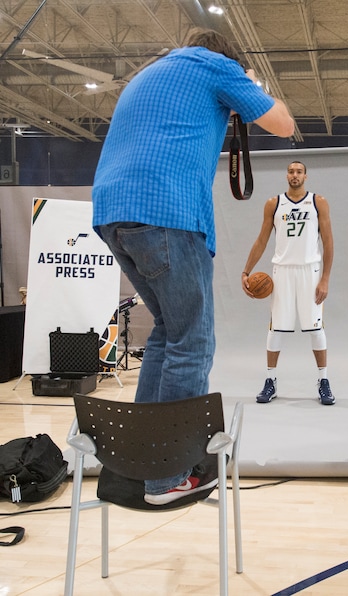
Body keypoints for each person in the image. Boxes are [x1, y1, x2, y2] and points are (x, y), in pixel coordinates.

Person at [92, 28, 295, 506]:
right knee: (194, 341)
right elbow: (283, 124)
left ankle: (141, 461)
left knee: (167, 331)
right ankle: (168, 478)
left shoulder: (150, 73)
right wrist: (251, 81)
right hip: (167, 213)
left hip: (112, 212)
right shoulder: (215, 66)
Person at [242, 161, 335, 405]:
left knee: (316, 328)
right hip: (282, 271)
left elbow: (328, 242)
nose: (295, 175)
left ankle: (323, 381)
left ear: (306, 175)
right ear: (286, 176)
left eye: (299, 171)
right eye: (291, 171)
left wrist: (325, 277)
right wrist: (246, 270)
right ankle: (270, 381)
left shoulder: (318, 202)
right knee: (276, 329)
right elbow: (262, 239)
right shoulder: (274, 204)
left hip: (310, 271)